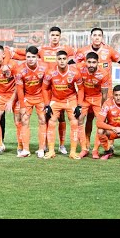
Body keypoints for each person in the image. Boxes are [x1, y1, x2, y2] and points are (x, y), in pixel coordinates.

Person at [37, 26, 76, 154]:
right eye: (52, 35)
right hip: (47, 87)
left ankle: (62, 145)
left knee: (62, 116)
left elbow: (78, 57)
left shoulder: (66, 50)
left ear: (60, 37)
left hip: (62, 87)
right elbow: (27, 54)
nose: (54, 37)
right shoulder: (42, 49)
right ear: (49, 36)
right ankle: (46, 145)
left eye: (57, 35)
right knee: (47, 116)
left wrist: (71, 66)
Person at [42, 50, 84, 160]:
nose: (62, 61)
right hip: (55, 100)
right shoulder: (50, 73)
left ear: (67, 60)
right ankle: (51, 151)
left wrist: (79, 105)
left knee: (74, 123)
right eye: (59, 59)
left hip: (70, 100)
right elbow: (45, 89)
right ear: (56, 60)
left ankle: (73, 152)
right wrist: (47, 105)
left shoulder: (75, 72)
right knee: (51, 123)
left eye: (64, 59)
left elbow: (81, 89)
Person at [15, 46, 48, 158]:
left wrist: (47, 102)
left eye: (33, 57)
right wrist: (22, 106)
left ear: (37, 57)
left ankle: (41, 149)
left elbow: (47, 86)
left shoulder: (44, 67)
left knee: (43, 121)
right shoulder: (20, 70)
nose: (30, 59)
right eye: (28, 57)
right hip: (27, 98)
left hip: (41, 98)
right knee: (24, 121)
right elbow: (19, 89)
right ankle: (25, 149)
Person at [0, 45, 20, 156]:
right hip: (1, 95)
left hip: (15, 96)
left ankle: (20, 147)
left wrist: (11, 100)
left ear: (3, 55)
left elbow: (18, 84)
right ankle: (0, 145)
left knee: (18, 122)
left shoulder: (13, 65)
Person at [76, 51, 109, 159]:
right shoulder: (79, 69)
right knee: (80, 119)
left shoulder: (103, 73)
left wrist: (103, 109)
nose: (91, 65)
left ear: (98, 62)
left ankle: (95, 150)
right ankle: (84, 148)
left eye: (93, 62)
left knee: (100, 123)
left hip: (98, 99)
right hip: (84, 98)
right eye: (89, 62)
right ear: (85, 62)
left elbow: (104, 94)